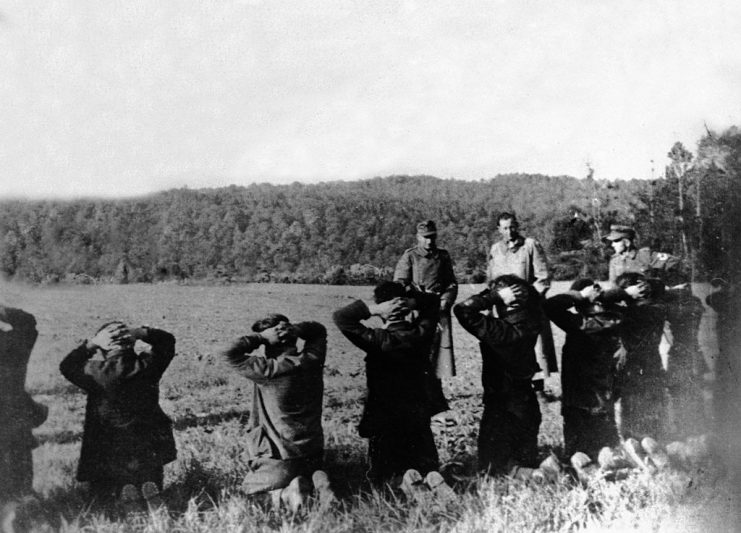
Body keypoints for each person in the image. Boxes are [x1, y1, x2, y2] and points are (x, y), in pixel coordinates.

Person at [333, 281, 441, 486]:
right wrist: (411, 301)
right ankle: (431, 478)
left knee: (384, 473)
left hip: (384, 413)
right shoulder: (421, 334)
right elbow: (433, 302)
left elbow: (341, 317)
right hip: (417, 409)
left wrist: (373, 309)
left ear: (384, 310)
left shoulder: (376, 339)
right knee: (422, 457)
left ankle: (403, 481)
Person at [221, 315, 333, 510]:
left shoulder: (267, 370)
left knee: (247, 496)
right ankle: (318, 480)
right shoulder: (313, 360)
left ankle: (285, 494)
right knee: (311, 471)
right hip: (312, 451)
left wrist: (260, 338)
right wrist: (295, 329)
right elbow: (318, 330)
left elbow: (226, 352)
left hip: (279, 459)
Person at [59, 322, 177, 509]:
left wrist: (92, 344)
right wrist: (139, 332)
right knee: (149, 469)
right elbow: (167, 341)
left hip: (107, 443)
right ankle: (148, 490)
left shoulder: (96, 372)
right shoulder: (147, 366)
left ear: (104, 348)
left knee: (102, 487)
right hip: (147, 441)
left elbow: (67, 366)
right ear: (130, 344)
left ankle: (116, 496)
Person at [453, 274, 542, 475]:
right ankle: (536, 473)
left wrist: (492, 296)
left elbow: (462, 310)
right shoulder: (531, 321)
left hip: (502, 407)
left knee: (494, 469)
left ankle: (534, 476)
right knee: (523, 458)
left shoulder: (500, 331)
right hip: (526, 403)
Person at [544, 280, 623, 459]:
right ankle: (607, 454)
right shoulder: (617, 318)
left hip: (576, 398)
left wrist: (579, 296)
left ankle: (579, 458)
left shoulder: (580, 324)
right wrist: (614, 295)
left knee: (577, 445)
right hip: (604, 397)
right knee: (605, 437)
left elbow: (549, 306)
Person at [394, 219, 458, 419]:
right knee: (417, 356)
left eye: (432, 237)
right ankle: (419, 398)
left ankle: (435, 400)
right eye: (425, 237)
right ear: (418, 237)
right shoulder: (410, 256)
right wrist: (418, 295)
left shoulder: (443, 256)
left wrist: (445, 300)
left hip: (438, 312)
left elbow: (451, 283)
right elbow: (399, 284)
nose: (429, 242)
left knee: (435, 357)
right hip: (417, 314)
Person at [486, 213, 557, 383]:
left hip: (528, 308)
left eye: (512, 227)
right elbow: (490, 280)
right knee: (510, 348)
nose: (509, 231)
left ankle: (538, 387)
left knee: (534, 349)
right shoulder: (495, 250)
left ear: (517, 226)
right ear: (499, 229)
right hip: (504, 308)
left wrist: (529, 297)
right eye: (505, 228)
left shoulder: (530, 245)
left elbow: (543, 278)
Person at [610, 273, 668, 441]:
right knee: (650, 403)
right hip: (652, 361)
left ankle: (635, 440)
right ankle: (651, 439)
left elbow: (605, 299)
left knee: (632, 404)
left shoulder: (628, 313)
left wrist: (625, 293)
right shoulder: (658, 308)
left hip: (632, 364)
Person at [0, 306, 47, 501]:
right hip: (13, 415)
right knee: (18, 462)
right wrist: (2, 310)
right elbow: (28, 322)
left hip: (13, 414)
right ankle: (22, 498)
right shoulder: (11, 343)